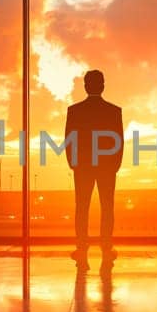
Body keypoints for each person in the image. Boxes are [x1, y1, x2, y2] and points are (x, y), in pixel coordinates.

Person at [66, 70, 123, 266]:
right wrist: (115, 165)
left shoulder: (74, 111)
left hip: (83, 167)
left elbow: (69, 139)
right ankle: (106, 245)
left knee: (82, 207)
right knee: (107, 206)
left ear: (85, 86)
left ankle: (82, 246)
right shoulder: (114, 111)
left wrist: (73, 164)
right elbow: (119, 140)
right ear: (103, 86)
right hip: (107, 166)